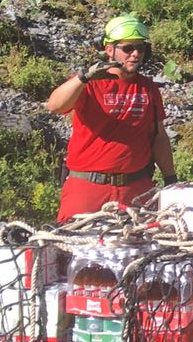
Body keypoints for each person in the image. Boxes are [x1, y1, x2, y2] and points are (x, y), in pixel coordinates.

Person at [46, 13, 177, 221]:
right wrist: (83, 77)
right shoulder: (89, 83)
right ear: (109, 50)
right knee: (73, 239)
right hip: (88, 186)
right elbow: (54, 106)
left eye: (141, 48)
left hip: (135, 187)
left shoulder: (149, 88)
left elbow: (158, 136)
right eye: (128, 48)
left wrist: (170, 179)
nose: (135, 54)